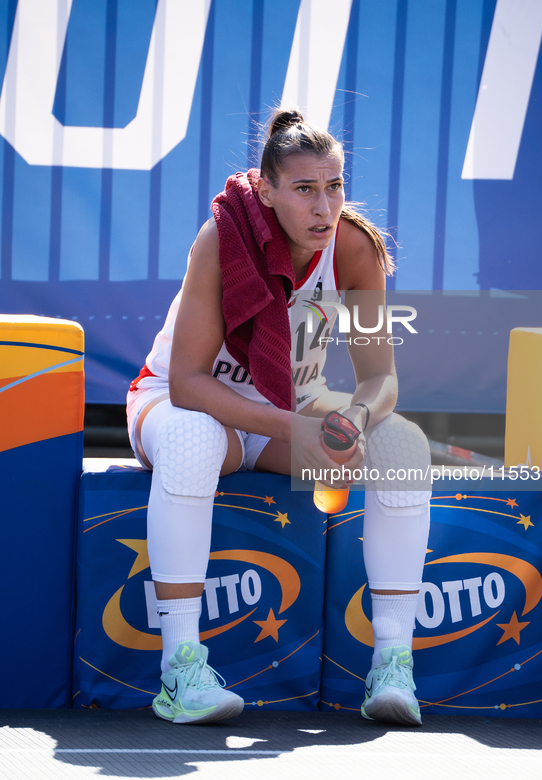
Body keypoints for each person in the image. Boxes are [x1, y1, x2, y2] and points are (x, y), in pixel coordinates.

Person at [127, 109, 431, 727]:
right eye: (304, 189)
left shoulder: (353, 248)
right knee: (192, 440)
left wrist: (354, 418)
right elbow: (188, 383)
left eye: (335, 187)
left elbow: (381, 379)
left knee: (402, 446)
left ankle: (393, 667)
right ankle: (180, 673)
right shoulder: (222, 237)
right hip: (175, 401)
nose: (325, 207)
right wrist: (294, 428)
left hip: (281, 407)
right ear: (267, 191)